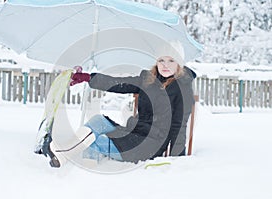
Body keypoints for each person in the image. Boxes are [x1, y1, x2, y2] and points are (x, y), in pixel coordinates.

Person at [43, 41, 196, 167]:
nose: (165, 65)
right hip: (133, 133)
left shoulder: (182, 88)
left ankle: (63, 154)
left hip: (148, 146)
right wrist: (88, 78)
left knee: (93, 141)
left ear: (179, 64)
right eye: (161, 60)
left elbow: (178, 126)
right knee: (99, 121)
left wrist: (178, 160)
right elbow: (119, 83)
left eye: (171, 60)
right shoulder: (148, 80)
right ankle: (75, 157)